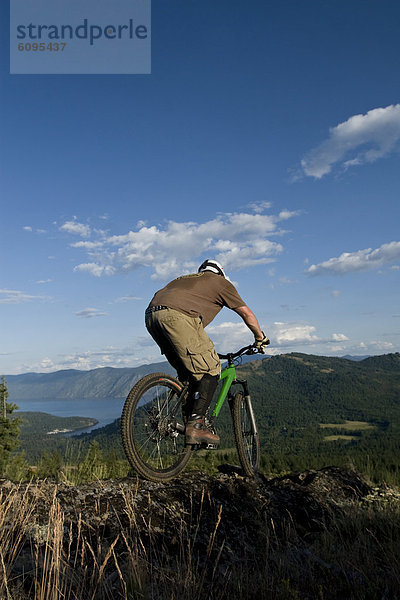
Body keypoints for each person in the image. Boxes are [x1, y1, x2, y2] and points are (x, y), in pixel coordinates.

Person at [145, 259, 270, 446]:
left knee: (190, 375)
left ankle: (181, 423)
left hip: (151, 316)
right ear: (220, 273)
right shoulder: (220, 282)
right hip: (177, 316)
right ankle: (196, 424)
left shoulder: (184, 279)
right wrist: (260, 338)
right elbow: (246, 313)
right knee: (211, 367)